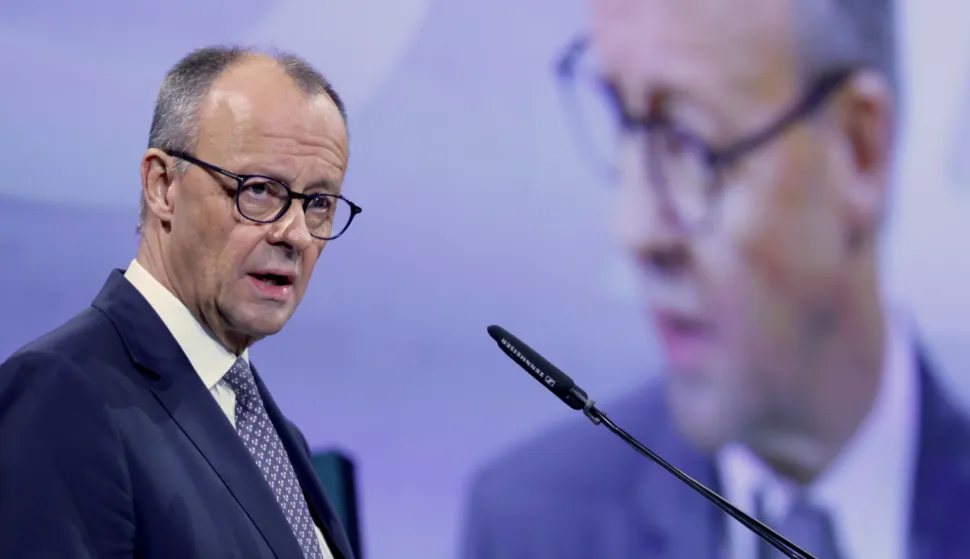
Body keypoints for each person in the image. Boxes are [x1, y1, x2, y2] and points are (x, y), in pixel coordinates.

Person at [461, 0, 970, 558]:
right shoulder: (532, 530)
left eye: (687, 141)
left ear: (859, 149)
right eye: (621, 120)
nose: (634, 228)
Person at [0, 46, 362, 559]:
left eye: (319, 203)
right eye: (259, 190)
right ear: (162, 186)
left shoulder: (275, 437)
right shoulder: (61, 395)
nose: (295, 234)